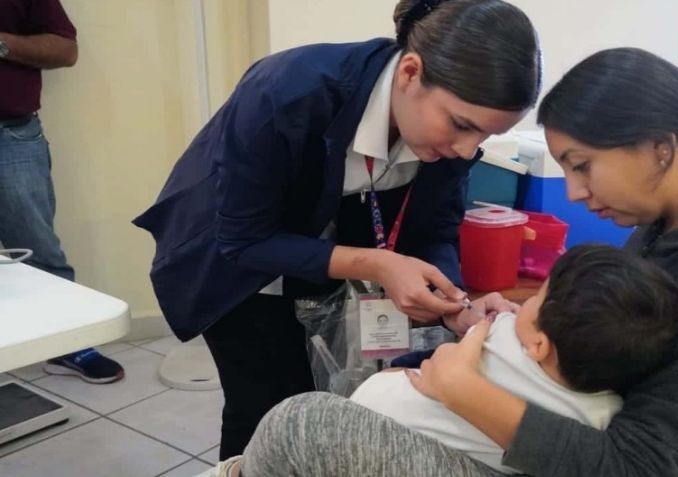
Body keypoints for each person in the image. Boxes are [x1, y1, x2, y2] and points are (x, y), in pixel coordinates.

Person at [237, 47, 678, 477]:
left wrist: (461, 386)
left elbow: (649, 464)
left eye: (581, 165)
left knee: (301, 425)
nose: (574, 193)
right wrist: (522, 331)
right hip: (566, 442)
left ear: (660, 146)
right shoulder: (671, 229)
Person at [132, 0, 541, 460]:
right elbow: (243, 239)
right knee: (266, 412)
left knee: (333, 412)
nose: (468, 149)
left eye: (484, 136)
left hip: (329, 270)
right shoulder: (289, 90)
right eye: (462, 125)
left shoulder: (446, 140)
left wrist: (455, 304)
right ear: (409, 73)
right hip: (241, 269)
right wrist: (378, 263)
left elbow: (436, 231)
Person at [219, 244, 678, 477]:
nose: (521, 306)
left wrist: (478, 318)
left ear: (540, 345)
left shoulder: (497, 334)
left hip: (384, 429)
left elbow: (440, 357)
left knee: (289, 422)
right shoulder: (605, 417)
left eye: (538, 298)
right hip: (403, 440)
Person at [0, 0, 124, 383]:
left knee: (38, 249)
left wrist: (2, 43)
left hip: (10, 134)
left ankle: (69, 346)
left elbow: (65, 49)